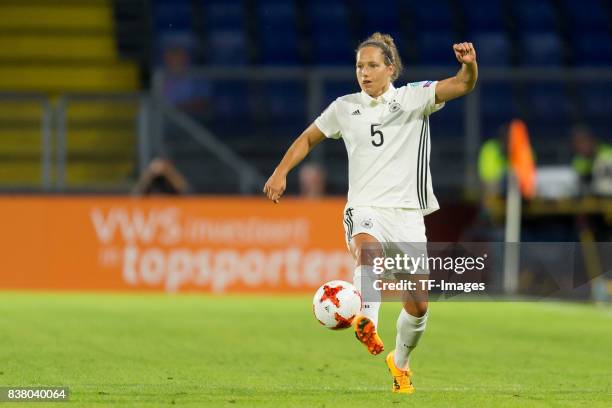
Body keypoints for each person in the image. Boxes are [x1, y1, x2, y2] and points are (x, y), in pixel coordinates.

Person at [263, 32, 478, 394]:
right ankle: (368, 320)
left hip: (407, 213)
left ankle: (401, 362)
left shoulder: (415, 97)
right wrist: (281, 171)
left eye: (372, 65)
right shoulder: (344, 107)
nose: (364, 72)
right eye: (360, 66)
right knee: (368, 250)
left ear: (390, 69)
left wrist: (468, 64)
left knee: (419, 304)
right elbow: (308, 138)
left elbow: (462, 85)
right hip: (364, 207)